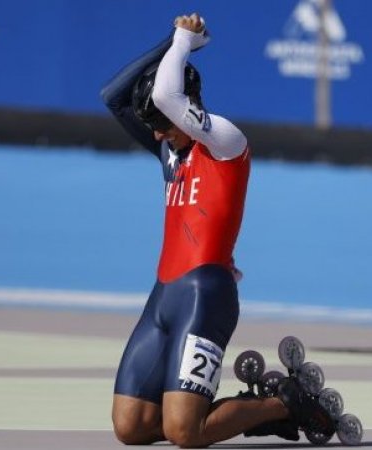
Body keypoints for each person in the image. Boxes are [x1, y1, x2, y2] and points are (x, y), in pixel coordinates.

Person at [101, 13, 329, 447]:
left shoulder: (226, 143)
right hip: (163, 297)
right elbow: (112, 96)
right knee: (131, 428)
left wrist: (185, 41)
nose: (157, 134)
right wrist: (170, 41)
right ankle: (242, 410)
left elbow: (168, 95)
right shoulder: (170, 150)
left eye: (164, 125)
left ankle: (287, 402)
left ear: (187, 110)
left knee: (185, 433)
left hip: (206, 295)